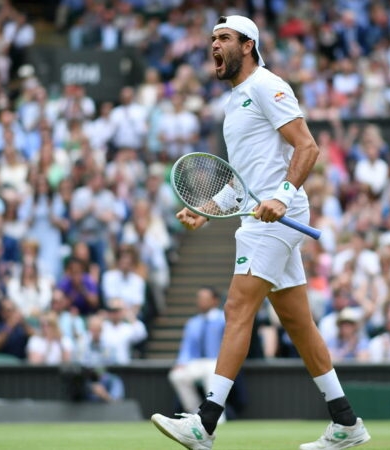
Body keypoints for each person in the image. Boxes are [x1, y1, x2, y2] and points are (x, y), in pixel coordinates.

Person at [151, 15, 370, 450]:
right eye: (212, 39)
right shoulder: (234, 102)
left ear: (247, 45)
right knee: (298, 323)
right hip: (258, 216)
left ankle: (205, 423)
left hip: (273, 220)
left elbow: (308, 146)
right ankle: (345, 422)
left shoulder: (268, 85)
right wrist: (206, 210)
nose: (214, 45)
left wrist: (283, 197)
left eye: (224, 38)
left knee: (236, 308)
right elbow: (241, 181)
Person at [168, 286, 226, 416]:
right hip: (196, 362)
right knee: (177, 376)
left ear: (215, 301)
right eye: (199, 299)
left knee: (212, 374)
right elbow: (187, 347)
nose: (201, 302)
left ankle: (216, 416)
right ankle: (196, 414)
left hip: (216, 361)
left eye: (205, 299)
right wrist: (181, 362)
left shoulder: (224, 319)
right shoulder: (193, 322)